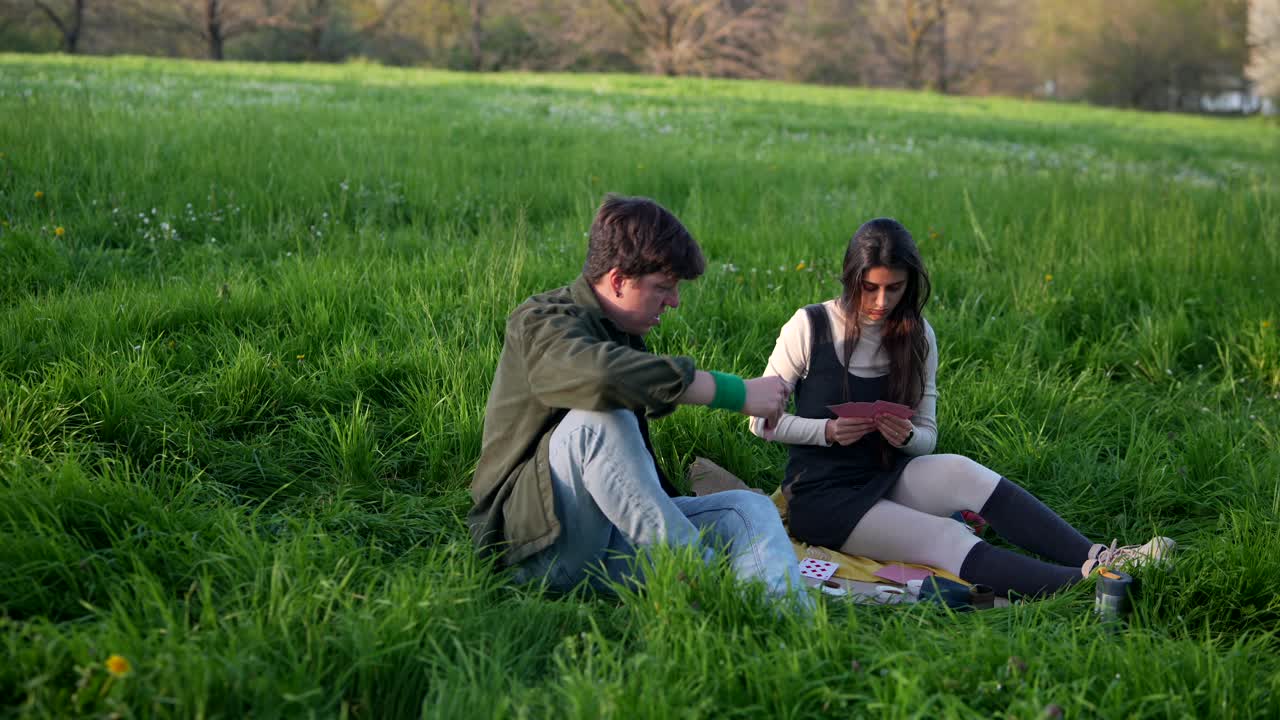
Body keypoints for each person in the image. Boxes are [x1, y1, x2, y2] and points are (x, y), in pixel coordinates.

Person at [749, 217, 1174, 598]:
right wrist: (825, 432)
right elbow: (759, 423)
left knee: (962, 470)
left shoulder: (918, 336)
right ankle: (1087, 584)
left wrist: (909, 437)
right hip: (823, 498)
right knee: (945, 537)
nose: (880, 301)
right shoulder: (809, 326)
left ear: (909, 284)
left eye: (893, 288)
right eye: (870, 288)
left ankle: (1102, 556)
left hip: (885, 475)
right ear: (851, 278)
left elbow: (927, 437)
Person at [470, 194, 808, 604]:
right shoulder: (540, 321)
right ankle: (703, 585)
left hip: (609, 544)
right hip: (537, 553)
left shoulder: (620, 334)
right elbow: (599, 376)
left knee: (747, 510)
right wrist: (735, 392)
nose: (675, 301)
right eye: (663, 288)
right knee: (599, 421)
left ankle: (778, 619)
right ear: (618, 280)